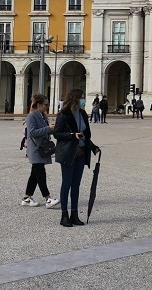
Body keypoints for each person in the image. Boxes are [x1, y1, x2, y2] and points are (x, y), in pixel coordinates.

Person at [53, 89, 95, 227]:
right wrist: (72, 135)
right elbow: (57, 134)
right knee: (67, 184)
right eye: (81, 98)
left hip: (81, 152)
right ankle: (64, 215)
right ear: (75, 99)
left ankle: (74, 214)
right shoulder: (63, 114)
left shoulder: (82, 113)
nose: (83, 101)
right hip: (69, 152)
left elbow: (86, 133)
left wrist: (93, 146)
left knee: (76, 184)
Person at [22, 93, 60, 209]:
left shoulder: (42, 115)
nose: (47, 107)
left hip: (41, 147)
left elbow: (45, 131)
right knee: (40, 173)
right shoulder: (32, 116)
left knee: (34, 174)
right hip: (35, 149)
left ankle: (27, 198)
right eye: (45, 105)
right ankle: (48, 198)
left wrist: (54, 129)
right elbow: (32, 132)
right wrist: (48, 128)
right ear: (38, 105)